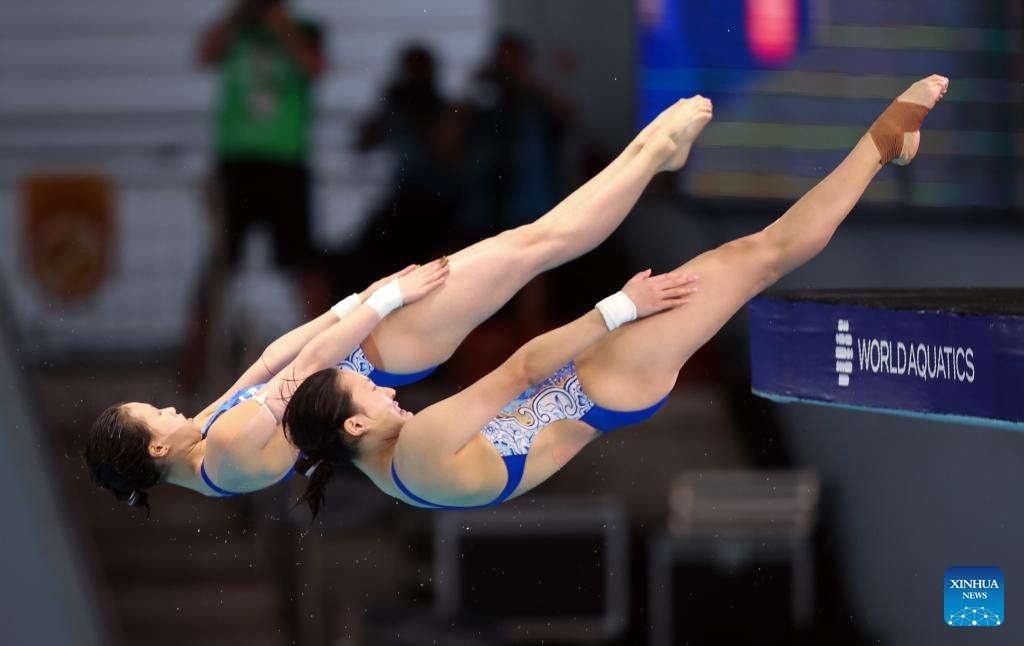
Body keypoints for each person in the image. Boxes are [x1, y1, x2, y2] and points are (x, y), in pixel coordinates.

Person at [285, 76, 949, 514]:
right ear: (354, 426)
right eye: (369, 391)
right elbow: (520, 369)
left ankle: (663, 154)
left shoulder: (396, 474)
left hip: (594, 384)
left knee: (745, 259)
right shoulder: (419, 446)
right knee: (758, 258)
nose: (387, 390)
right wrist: (620, 309)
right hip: (606, 381)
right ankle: (881, 144)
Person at [85, 95, 716, 510]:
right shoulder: (226, 457)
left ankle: (653, 154)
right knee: (535, 246)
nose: (169, 406)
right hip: (379, 354)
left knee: (530, 244)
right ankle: (654, 153)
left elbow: (269, 364)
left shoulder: (201, 439)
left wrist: (351, 305)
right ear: (156, 449)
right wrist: (383, 299)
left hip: (364, 341)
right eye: (155, 413)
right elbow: (308, 370)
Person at [181, 0, 327, 388]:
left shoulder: (304, 28)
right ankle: (192, 367)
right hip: (236, 165)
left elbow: (314, 68)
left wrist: (278, 22)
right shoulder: (236, 30)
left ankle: (329, 361)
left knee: (304, 264)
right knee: (220, 263)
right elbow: (204, 54)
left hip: (286, 163)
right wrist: (240, 12)